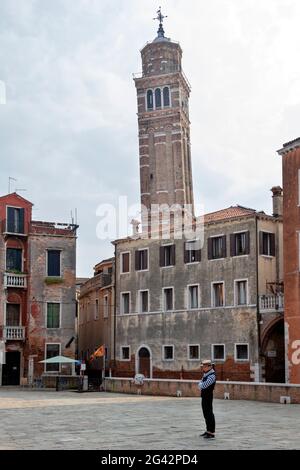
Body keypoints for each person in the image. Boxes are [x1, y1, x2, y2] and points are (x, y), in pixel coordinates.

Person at [198, 359, 216, 439]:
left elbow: (203, 385)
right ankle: (208, 430)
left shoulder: (212, 375)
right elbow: (200, 384)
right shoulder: (206, 374)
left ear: (209, 366)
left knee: (209, 414)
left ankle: (211, 432)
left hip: (208, 397)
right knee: (206, 414)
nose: (203, 368)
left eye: (204, 366)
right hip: (204, 396)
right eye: (203, 366)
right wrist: (200, 384)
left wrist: (200, 384)